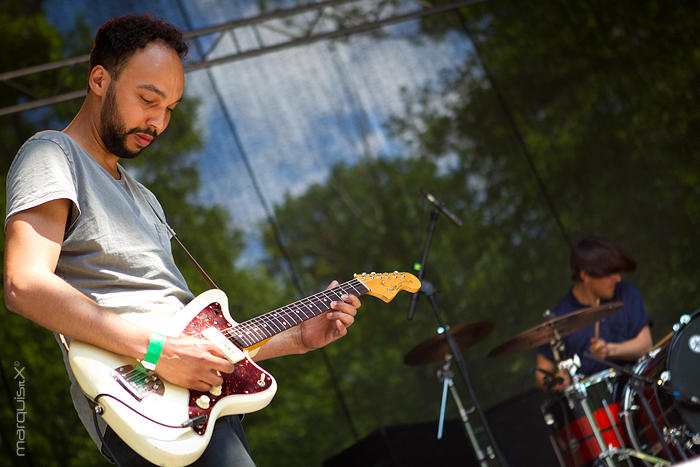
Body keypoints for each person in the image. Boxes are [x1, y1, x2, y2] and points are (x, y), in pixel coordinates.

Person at [4, 14, 360, 466]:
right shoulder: (52, 153)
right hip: (144, 406)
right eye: (147, 99)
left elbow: (191, 337)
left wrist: (297, 339)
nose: (158, 121)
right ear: (99, 79)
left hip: (196, 405)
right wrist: (160, 350)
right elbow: (25, 285)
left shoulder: (145, 198)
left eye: (170, 108)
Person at [535, 237, 652, 391]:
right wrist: (558, 380)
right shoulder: (559, 318)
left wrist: (609, 350)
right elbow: (541, 374)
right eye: (609, 274)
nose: (617, 278)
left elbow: (646, 344)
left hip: (641, 387)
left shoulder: (626, 292)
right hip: (598, 404)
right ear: (585, 275)